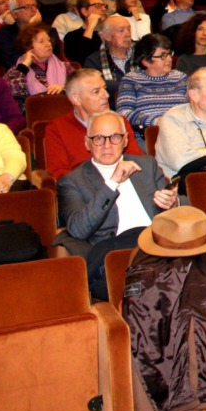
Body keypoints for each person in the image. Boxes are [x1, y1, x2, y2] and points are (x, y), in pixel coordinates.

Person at [58, 111, 178, 299]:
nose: (107, 145)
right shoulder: (72, 181)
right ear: (87, 142)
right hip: (121, 257)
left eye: (114, 137)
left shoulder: (146, 165)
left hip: (160, 246)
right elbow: (79, 229)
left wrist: (172, 202)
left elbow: (176, 205)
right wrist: (112, 183)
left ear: (125, 140)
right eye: (99, 138)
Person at [115, 33, 188, 135]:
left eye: (169, 53)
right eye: (163, 55)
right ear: (146, 61)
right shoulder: (131, 80)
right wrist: (155, 121)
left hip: (182, 132)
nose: (169, 59)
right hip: (149, 135)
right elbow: (123, 113)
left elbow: (193, 107)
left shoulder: (180, 78)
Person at [5, 21, 75, 108]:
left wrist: (65, 89)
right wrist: (24, 66)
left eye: (49, 40)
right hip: (34, 116)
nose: (48, 44)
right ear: (29, 47)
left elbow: (81, 88)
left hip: (64, 111)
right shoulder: (16, 71)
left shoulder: (65, 67)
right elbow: (14, 93)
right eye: (41, 41)